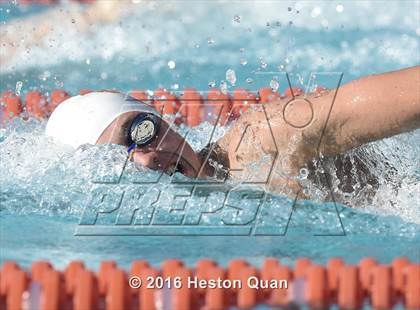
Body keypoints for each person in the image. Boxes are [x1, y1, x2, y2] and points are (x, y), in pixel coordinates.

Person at [46, 66, 420, 197]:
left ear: (163, 119)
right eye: (121, 160)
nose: (149, 156)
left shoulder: (266, 140)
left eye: (142, 130)